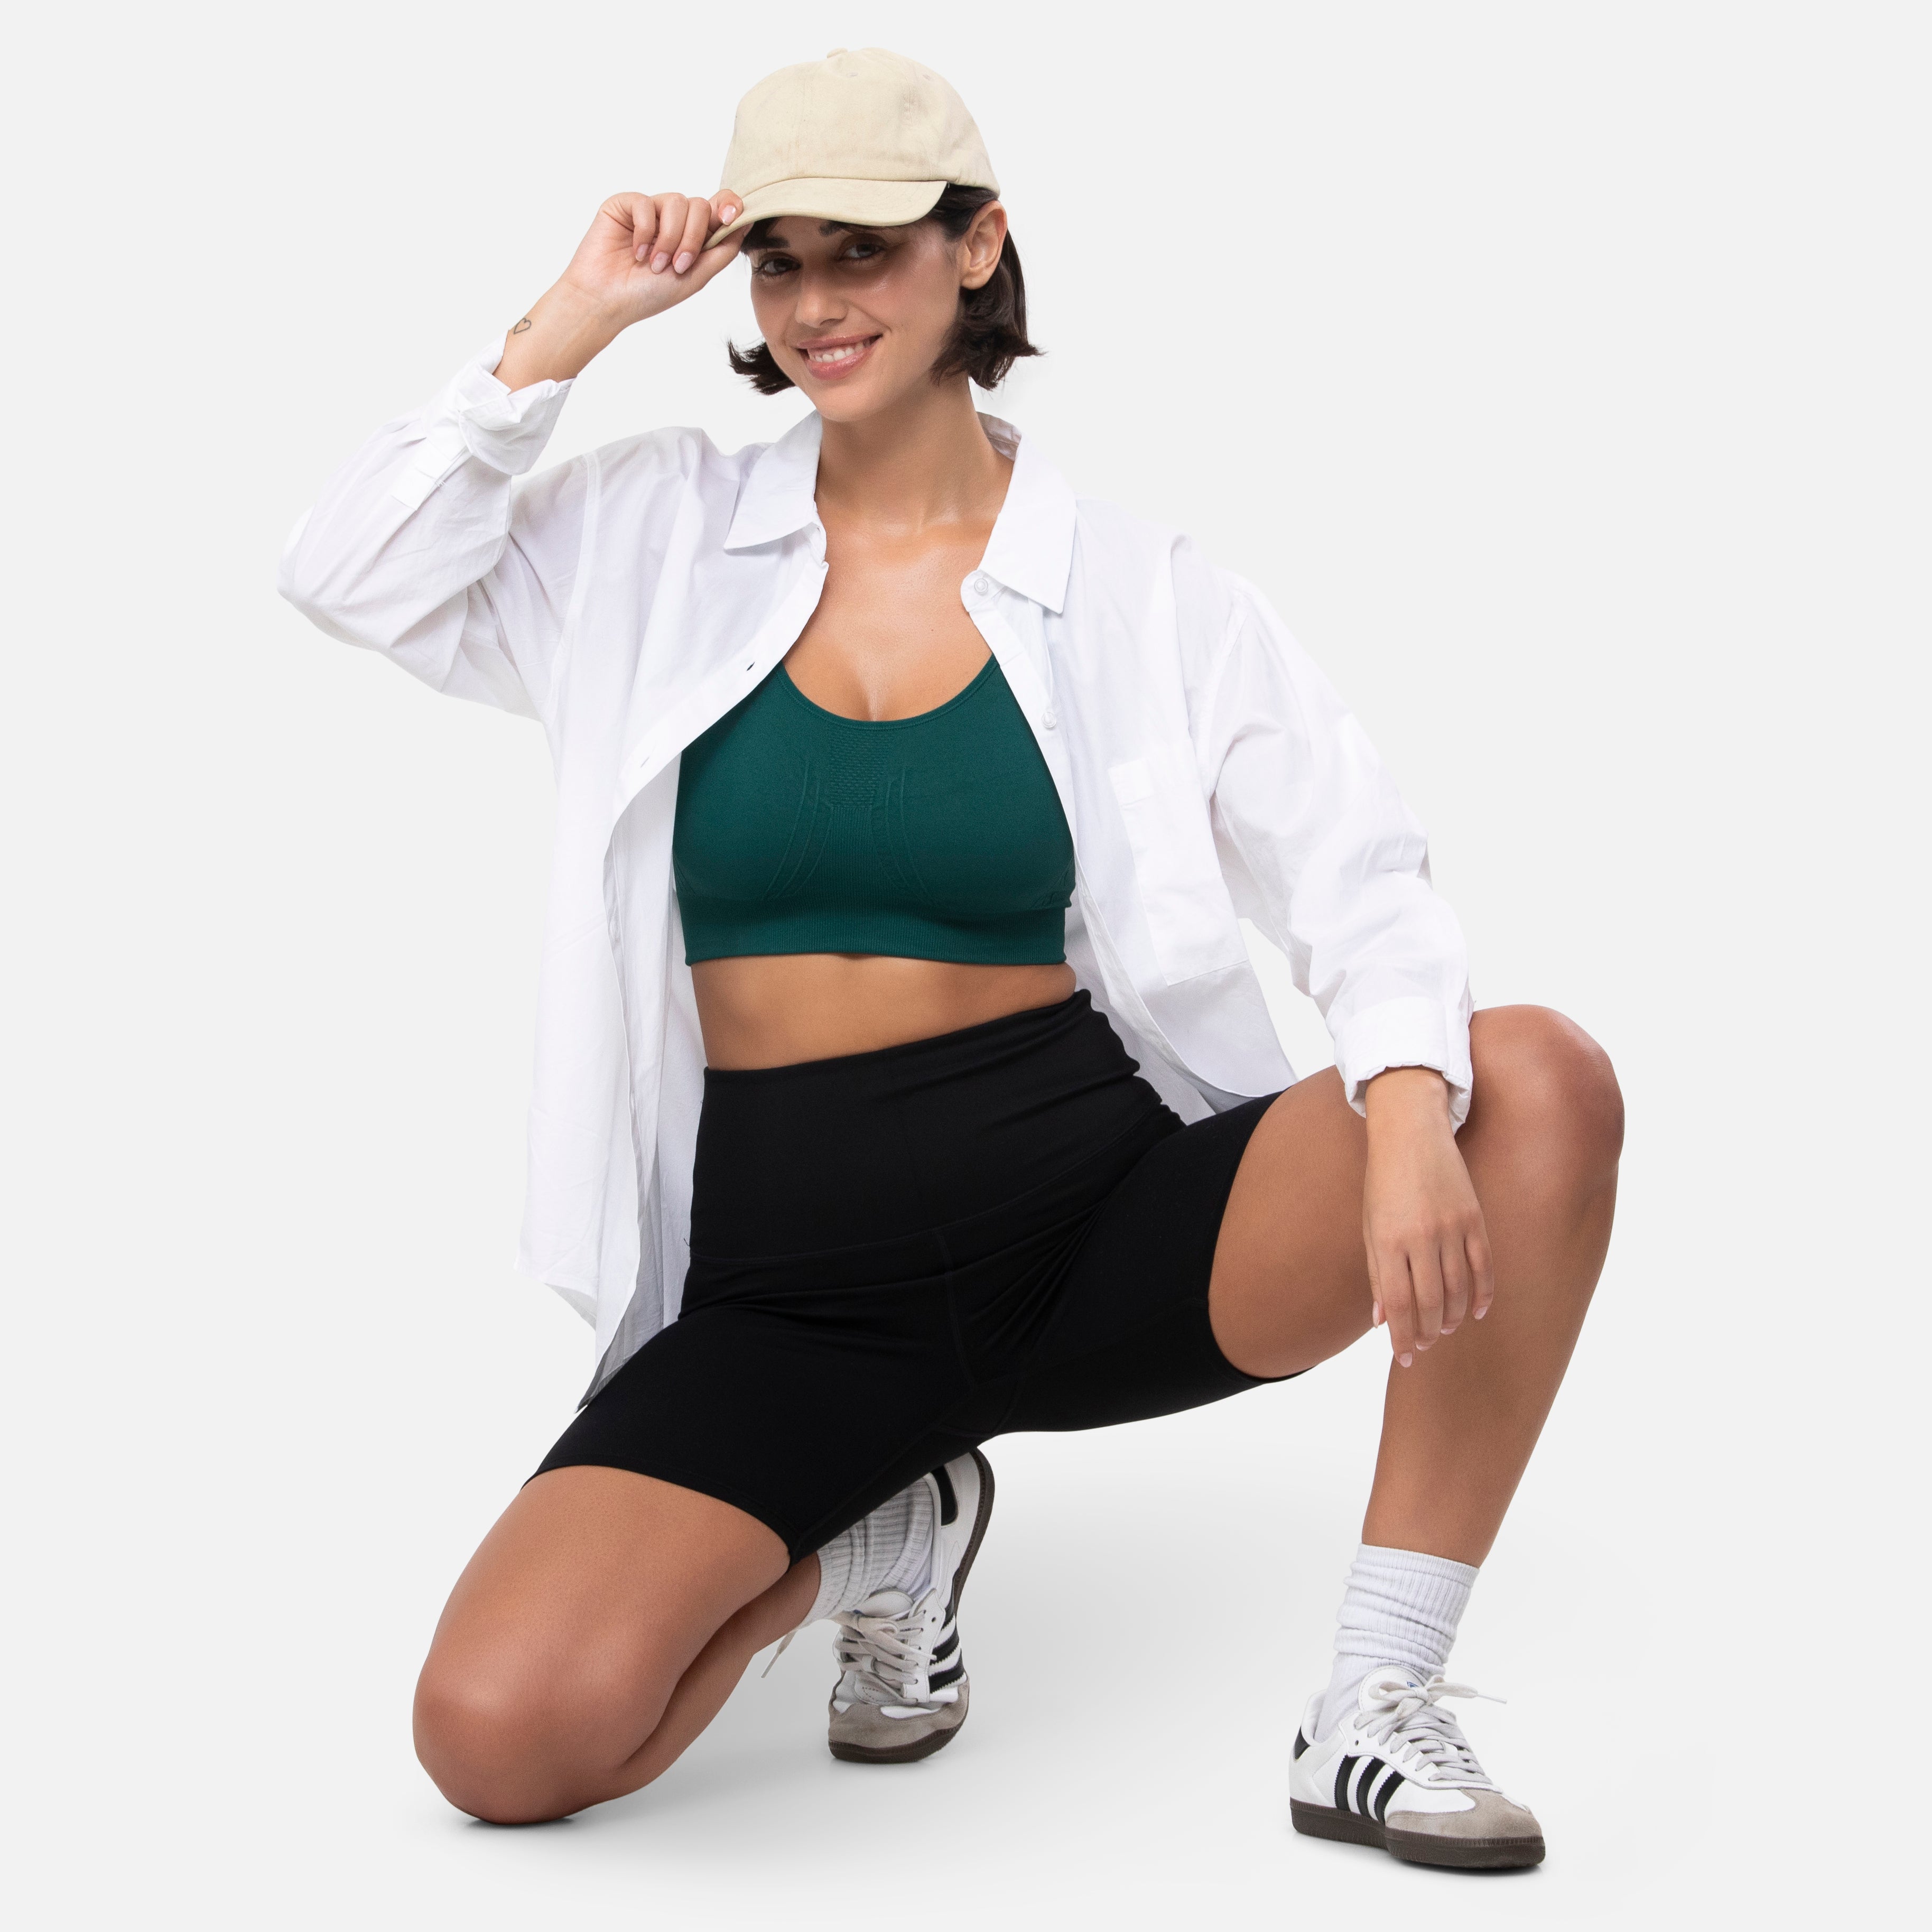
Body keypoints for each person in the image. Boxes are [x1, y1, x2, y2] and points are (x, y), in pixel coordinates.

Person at [279, 47, 1621, 1870]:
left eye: (866, 250)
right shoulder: (653, 537)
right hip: (786, 1289)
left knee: (1527, 1079)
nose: (816, 306)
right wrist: (572, 319)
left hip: (1099, 1224)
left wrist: (1398, 1111)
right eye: (779, 262)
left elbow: (1363, 882)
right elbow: (350, 572)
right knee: (502, 1741)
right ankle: (887, 1534)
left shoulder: (1142, 590)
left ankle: (1374, 1700)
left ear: (977, 246)